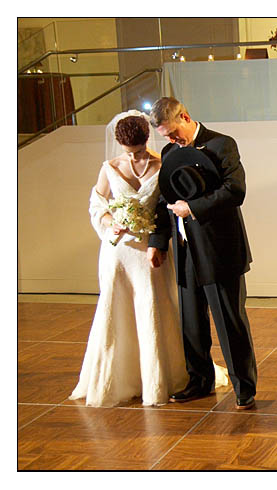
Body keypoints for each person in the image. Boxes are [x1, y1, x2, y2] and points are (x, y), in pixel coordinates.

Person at [70, 112, 188, 407]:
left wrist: (160, 243)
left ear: (146, 140)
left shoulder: (162, 164)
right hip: (118, 250)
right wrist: (111, 222)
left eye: (137, 150)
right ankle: (119, 377)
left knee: (154, 306)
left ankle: (157, 378)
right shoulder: (109, 167)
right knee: (116, 307)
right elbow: (97, 203)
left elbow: (167, 208)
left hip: (151, 251)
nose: (133, 156)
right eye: (128, 151)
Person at [147, 97, 258, 410]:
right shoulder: (170, 153)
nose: (170, 141)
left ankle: (244, 388)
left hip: (220, 249)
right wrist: (157, 241)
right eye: (165, 136)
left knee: (229, 322)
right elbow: (162, 200)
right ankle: (199, 381)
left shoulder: (223, 145)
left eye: (172, 132)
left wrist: (192, 207)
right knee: (191, 323)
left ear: (185, 116)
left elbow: (236, 190)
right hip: (185, 252)